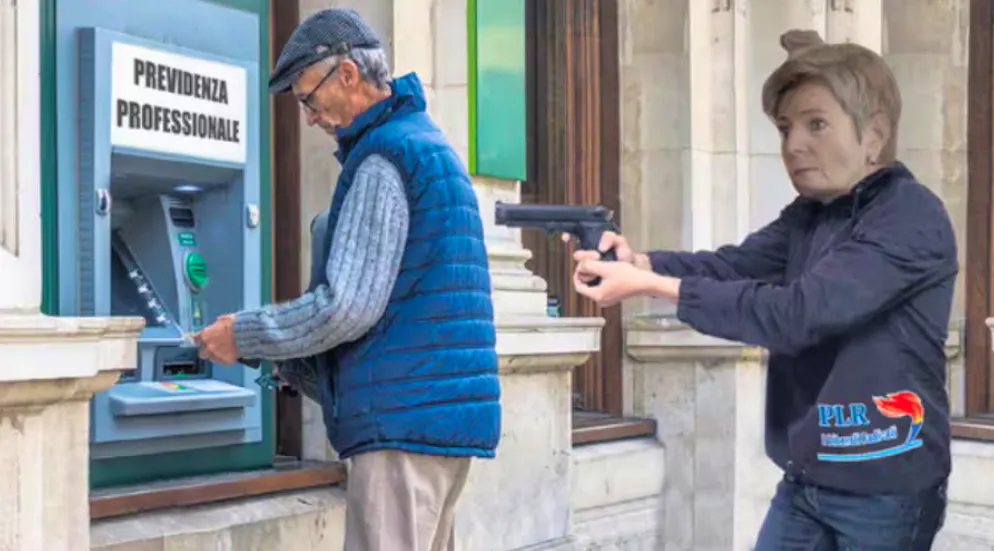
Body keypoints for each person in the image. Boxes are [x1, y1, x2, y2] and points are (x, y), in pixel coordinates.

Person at [569, 30, 954, 550]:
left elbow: (798, 315)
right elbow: (731, 265)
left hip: (886, 488)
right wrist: (641, 262)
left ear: (874, 135)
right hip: (807, 476)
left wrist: (653, 285)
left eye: (817, 124)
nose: (793, 146)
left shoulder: (910, 215)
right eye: (785, 128)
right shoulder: (808, 216)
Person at [192, 8, 501, 551]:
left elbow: (347, 308)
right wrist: (292, 362)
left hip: (401, 428)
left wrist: (244, 335)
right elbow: (404, 308)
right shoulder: (427, 145)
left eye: (308, 99)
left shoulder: (384, 158)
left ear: (349, 74)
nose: (310, 118)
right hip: (435, 420)